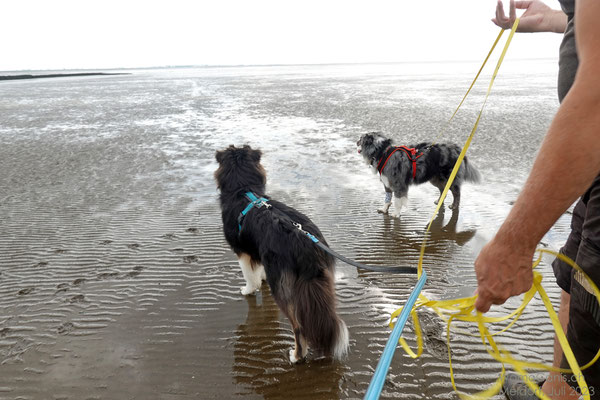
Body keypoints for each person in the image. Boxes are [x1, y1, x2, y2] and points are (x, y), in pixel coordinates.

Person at [474, 0, 600, 399]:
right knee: (572, 277)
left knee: (594, 308)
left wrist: (515, 242)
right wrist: (555, 20)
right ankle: (558, 389)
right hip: (593, 169)